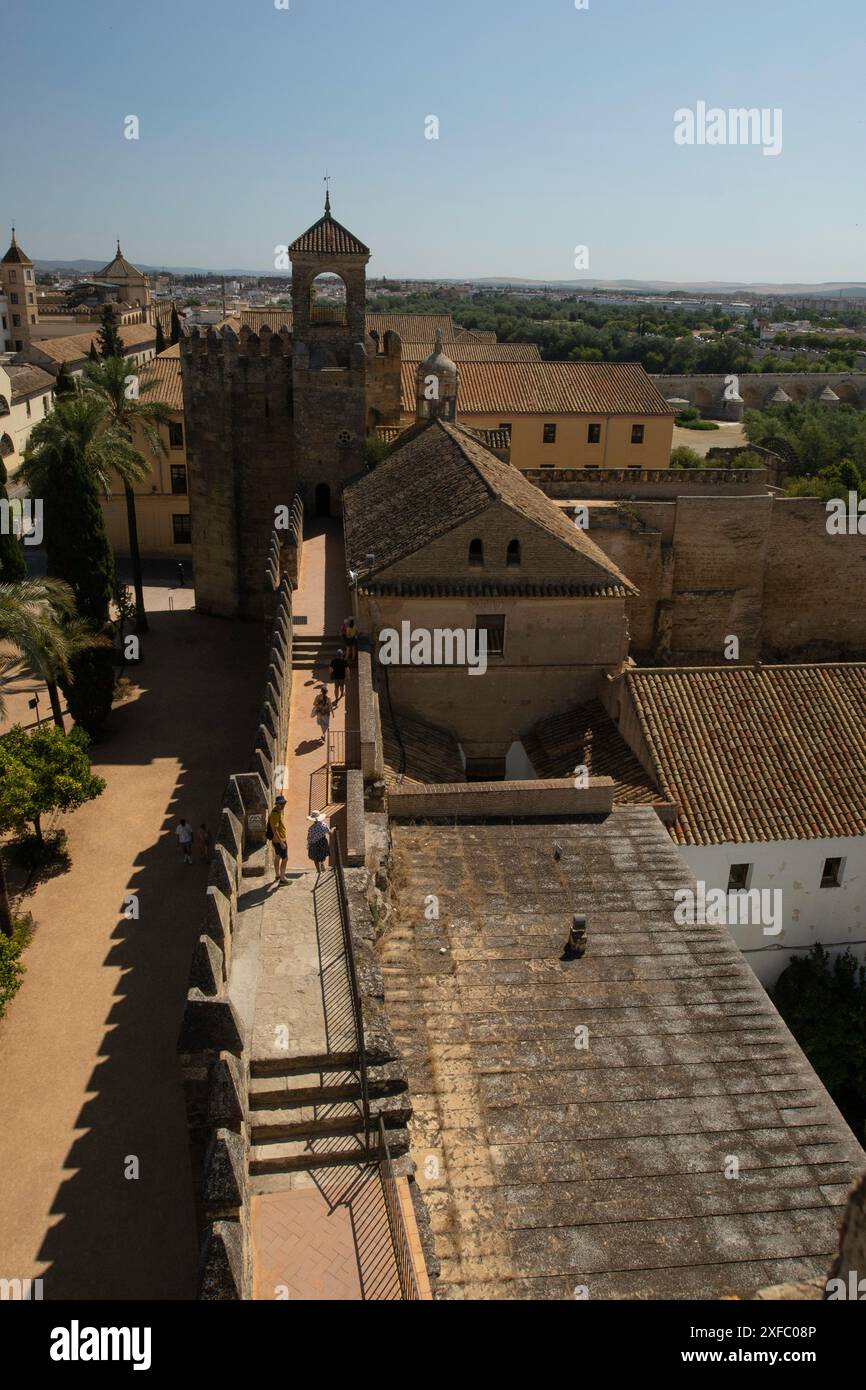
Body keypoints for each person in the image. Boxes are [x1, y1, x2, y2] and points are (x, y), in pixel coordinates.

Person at [268, 795, 289, 885]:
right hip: (280, 840)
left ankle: (277, 875)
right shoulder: (275, 814)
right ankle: (282, 879)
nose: (283, 805)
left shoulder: (278, 811)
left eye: (284, 803)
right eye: (281, 803)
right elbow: (274, 830)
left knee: (278, 856)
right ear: (277, 804)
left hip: (277, 840)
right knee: (285, 859)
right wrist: (281, 843)